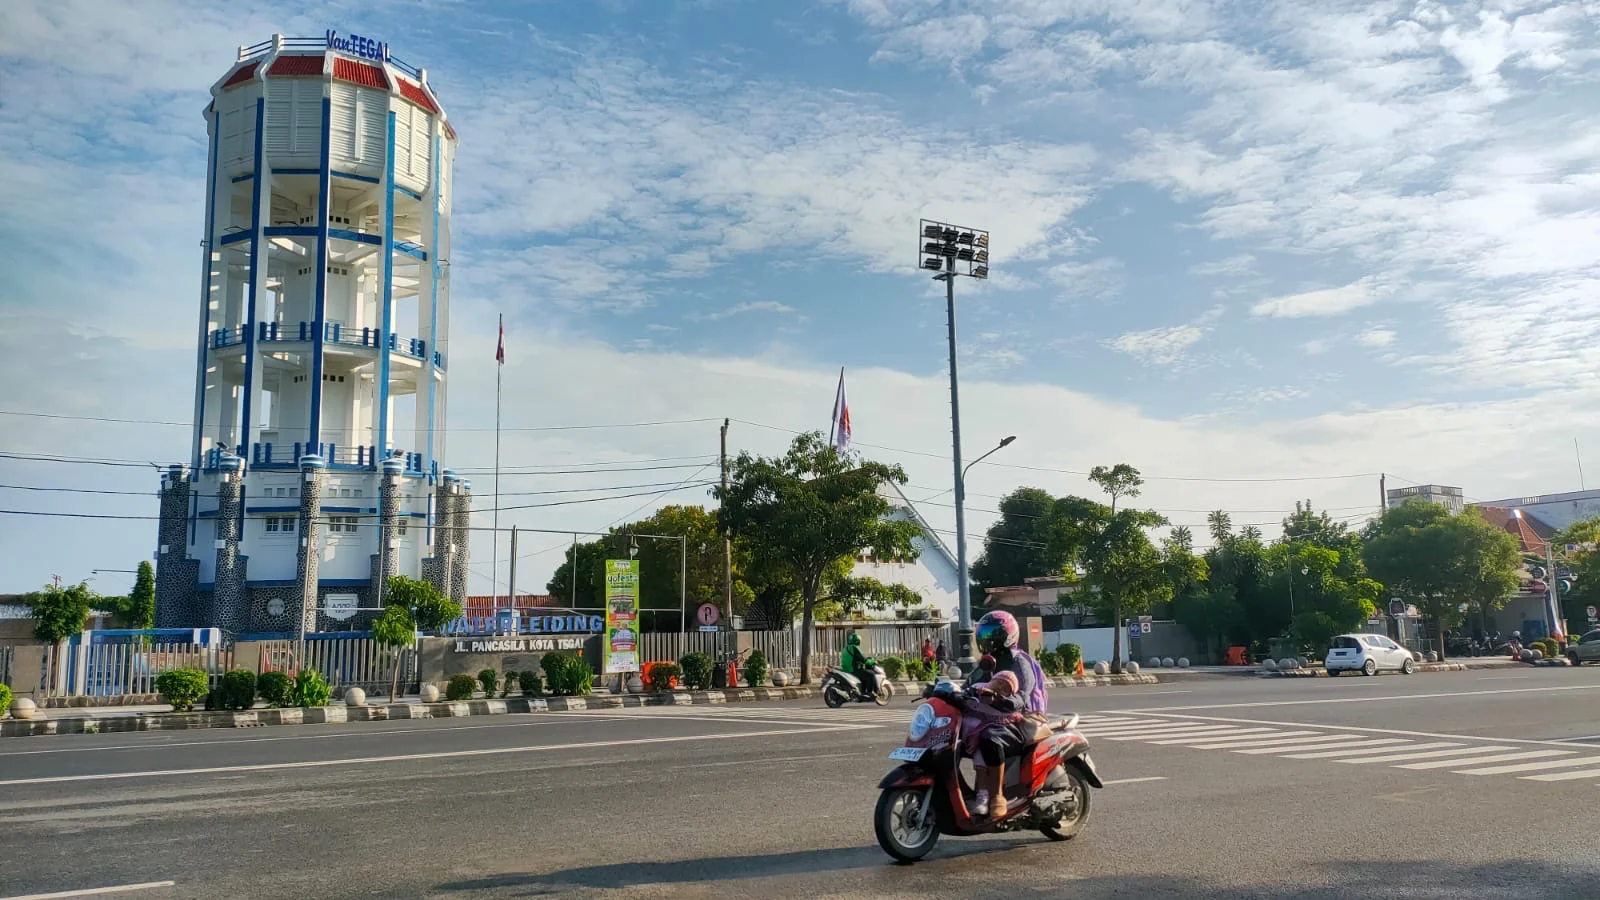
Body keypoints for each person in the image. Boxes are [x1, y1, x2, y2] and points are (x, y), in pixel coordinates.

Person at [965, 610, 1049, 817]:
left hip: (1023, 718)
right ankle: (976, 792)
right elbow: (968, 685)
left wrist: (999, 700)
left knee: (989, 738)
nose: (987, 638)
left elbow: (1022, 696)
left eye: (992, 633)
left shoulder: (1020, 661)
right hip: (993, 717)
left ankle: (996, 796)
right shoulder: (987, 662)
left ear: (1009, 634)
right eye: (984, 634)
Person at [960, 669, 1026, 818]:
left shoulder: (1014, 698)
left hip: (1001, 731)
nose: (1001, 687)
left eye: (1006, 687)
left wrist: (996, 698)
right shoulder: (977, 687)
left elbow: (1013, 703)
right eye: (1000, 682)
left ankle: (996, 796)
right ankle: (962, 793)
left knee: (988, 740)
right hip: (973, 733)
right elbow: (961, 692)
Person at [841, 631, 879, 699]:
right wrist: (872, 662)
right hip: (854, 670)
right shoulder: (854, 648)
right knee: (871, 674)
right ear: (857, 641)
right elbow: (863, 660)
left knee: (864, 675)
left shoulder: (845, 648)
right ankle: (870, 693)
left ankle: (863, 692)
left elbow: (855, 658)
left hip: (846, 670)